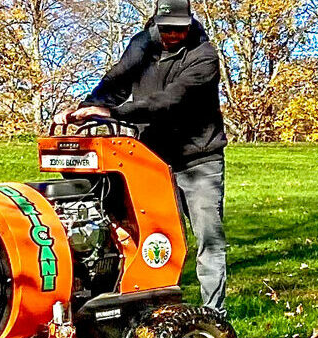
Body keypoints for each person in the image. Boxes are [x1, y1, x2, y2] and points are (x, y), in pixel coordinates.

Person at [69, 0, 227, 317]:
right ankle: (154, 314)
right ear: (156, 22)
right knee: (153, 240)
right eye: (166, 28)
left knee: (209, 241)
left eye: (180, 29)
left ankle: (214, 317)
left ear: (190, 24)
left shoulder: (204, 56)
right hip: (151, 162)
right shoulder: (142, 45)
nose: (173, 35)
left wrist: (113, 113)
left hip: (199, 162)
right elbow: (116, 82)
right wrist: (86, 110)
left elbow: (170, 101)